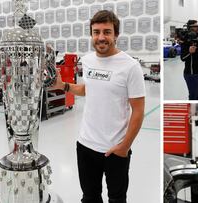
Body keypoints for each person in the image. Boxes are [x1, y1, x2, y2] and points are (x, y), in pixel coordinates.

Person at [52, 10, 145, 203]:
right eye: (96, 32)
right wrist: (65, 86)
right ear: (91, 34)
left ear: (116, 34)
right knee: (90, 197)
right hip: (85, 145)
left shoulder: (130, 66)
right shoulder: (87, 61)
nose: (101, 37)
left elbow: (138, 110)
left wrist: (124, 147)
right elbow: (89, 89)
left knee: (117, 199)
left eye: (107, 32)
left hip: (115, 148)